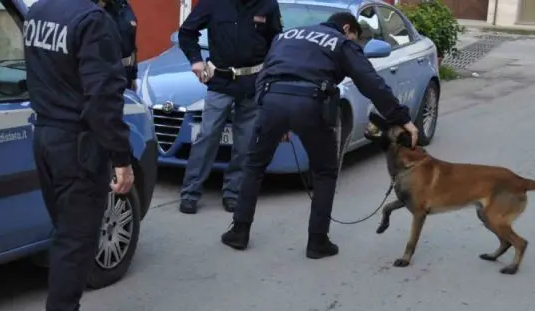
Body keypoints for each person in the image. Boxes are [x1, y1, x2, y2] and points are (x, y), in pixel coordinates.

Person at [220, 12, 420, 259]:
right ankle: (317, 242)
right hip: (310, 103)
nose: (355, 42)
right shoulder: (342, 42)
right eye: (356, 37)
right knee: (325, 172)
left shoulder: (286, 36)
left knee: (253, 166)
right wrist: (402, 118)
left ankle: (238, 232)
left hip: (272, 101)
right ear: (347, 28)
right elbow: (370, 82)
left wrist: (272, 115)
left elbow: (264, 73)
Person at [24, 0, 134, 311]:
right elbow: (102, 97)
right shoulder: (93, 20)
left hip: (46, 136)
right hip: (77, 144)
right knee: (76, 242)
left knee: (66, 236)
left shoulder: (39, 10)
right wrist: (121, 158)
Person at [177, 0, 283, 215]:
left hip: (253, 83)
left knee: (245, 143)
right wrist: (196, 61)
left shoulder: (267, 5)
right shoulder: (214, 3)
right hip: (220, 82)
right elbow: (187, 32)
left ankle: (233, 193)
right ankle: (190, 193)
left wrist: (272, 77)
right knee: (207, 137)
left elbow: (276, 42)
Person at [104, 0, 139, 90]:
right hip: (106, 75)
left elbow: (132, 43)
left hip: (126, 73)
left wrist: (134, 76)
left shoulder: (126, 6)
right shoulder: (98, 10)